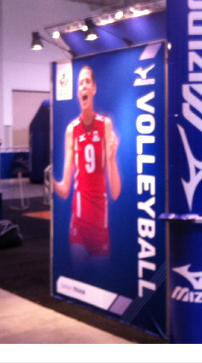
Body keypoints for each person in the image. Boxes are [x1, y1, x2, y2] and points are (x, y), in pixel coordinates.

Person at [54, 65, 121, 264]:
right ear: (77, 93)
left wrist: (111, 158)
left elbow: (115, 192)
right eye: (80, 83)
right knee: (79, 273)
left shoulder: (105, 124)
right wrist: (50, 181)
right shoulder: (71, 130)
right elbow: (65, 189)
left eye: (87, 82)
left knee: (100, 278)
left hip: (100, 224)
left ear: (94, 89)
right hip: (79, 223)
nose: (83, 86)